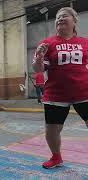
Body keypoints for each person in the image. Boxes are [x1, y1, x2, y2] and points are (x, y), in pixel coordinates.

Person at [32, 7, 88, 169]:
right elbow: (38, 69)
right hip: (56, 94)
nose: (60, 19)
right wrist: (39, 57)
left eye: (64, 16)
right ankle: (56, 157)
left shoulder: (85, 43)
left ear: (74, 20)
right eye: (57, 17)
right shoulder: (48, 44)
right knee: (52, 129)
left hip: (83, 91)